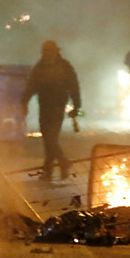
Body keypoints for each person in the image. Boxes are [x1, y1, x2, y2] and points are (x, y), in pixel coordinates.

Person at [22, 40, 81, 181]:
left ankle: (58, 166)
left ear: (55, 52)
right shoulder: (41, 66)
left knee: (50, 139)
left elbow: (73, 86)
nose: (45, 55)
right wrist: (24, 101)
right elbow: (32, 85)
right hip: (45, 106)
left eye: (48, 52)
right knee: (49, 139)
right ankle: (54, 169)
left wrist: (76, 106)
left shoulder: (64, 66)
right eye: (44, 52)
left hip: (57, 107)